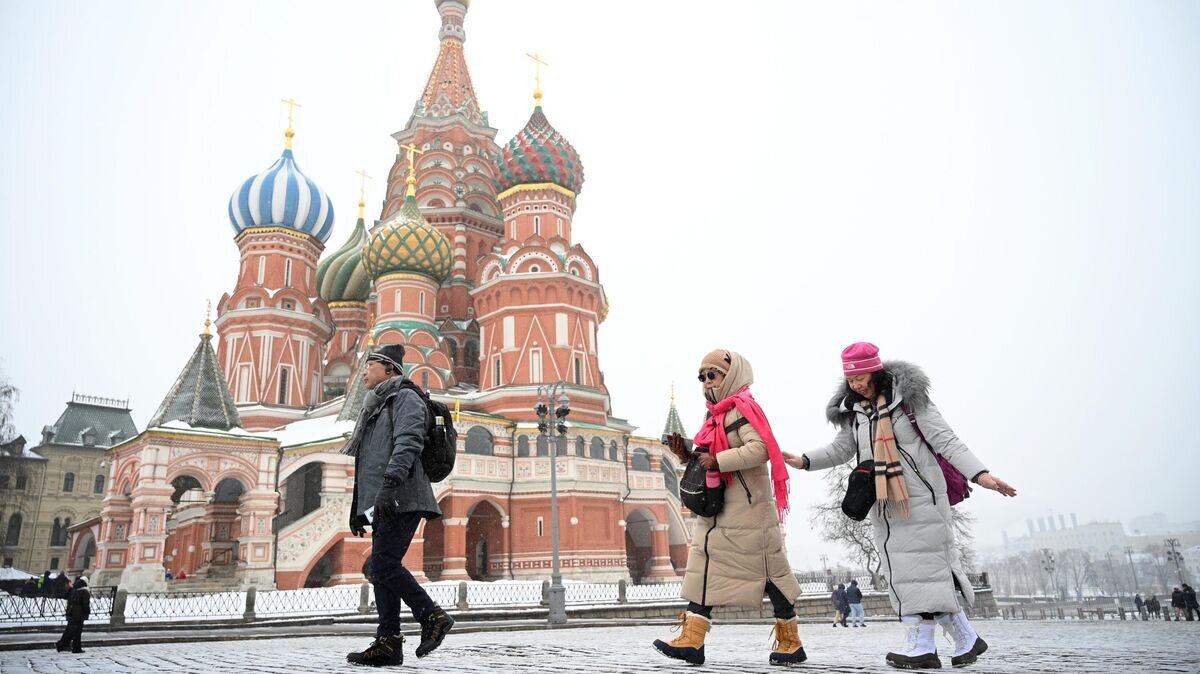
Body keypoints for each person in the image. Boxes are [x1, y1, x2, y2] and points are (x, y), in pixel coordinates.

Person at [784, 343, 1017, 670]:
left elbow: (945, 439)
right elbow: (842, 449)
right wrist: (806, 460)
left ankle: (920, 645)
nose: (857, 385)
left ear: (875, 371)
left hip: (920, 497)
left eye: (862, 377)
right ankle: (965, 638)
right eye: (851, 380)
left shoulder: (908, 400)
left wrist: (981, 475)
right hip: (884, 501)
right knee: (907, 571)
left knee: (923, 569)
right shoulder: (856, 414)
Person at [654, 349, 806, 667]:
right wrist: (686, 454)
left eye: (713, 374)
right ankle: (692, 640)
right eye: (702, 376)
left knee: (769, 575)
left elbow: (762, 448)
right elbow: (708, 456)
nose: (707, 382)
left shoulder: (742, 409)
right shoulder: (716, 415)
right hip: (720, 507)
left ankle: (790, 641)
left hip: (748, 510)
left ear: (731, 375)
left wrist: (718, 459)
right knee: (705, 567)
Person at [343, 344, 453, 667]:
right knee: (381, 567)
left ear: (389, 368)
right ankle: (388, 641)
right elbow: (368, 460)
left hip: (403, 495)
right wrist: (358, 507)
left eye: (370, 365)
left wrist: (390, 485)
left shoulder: (405, 397)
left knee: (383, 565)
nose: (364, 371)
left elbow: (408, 440)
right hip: (387, 499)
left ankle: (432, 616)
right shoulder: (375, 406)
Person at [55, 575, 90, 654]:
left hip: (71, 612)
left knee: (70, 630)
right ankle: (64, 644)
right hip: (79, 614)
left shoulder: (74, 590)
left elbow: (67, 598)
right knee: (76, 631)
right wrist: (87, 613)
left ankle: (73, 647)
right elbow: (85, 604)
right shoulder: (84, 591)